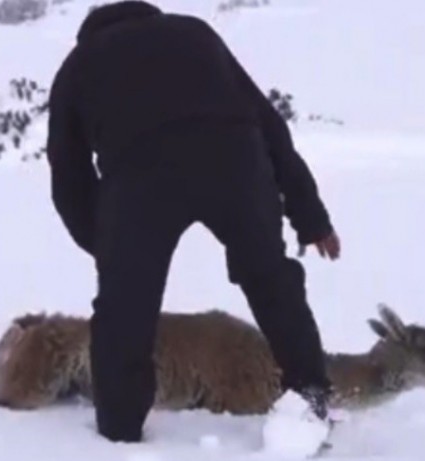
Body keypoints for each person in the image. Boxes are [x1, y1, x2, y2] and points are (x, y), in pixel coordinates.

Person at [45, 0, 341, 443]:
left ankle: (118, 431)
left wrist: (107, 246)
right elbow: (270, 125)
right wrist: (310, 217)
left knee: (125, 308)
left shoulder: (78, 64)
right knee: (270, 279)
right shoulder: (196, 33)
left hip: (142, 178)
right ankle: (311, 401)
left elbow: (68, 172)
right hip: (237, 163)